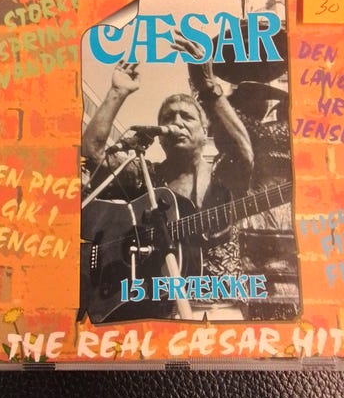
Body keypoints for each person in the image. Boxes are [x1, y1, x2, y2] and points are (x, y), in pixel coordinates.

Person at [81, 34, 254, 321]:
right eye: (168, 118)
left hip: (222, 307)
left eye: (186, 117)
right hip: (156, 311)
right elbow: (92, 154)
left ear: (204, 131)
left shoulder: (223, 175)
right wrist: (117, 92)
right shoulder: (147, 176)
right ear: (159, 136)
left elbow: (244, 154)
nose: (176, 123)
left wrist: (207, 86)